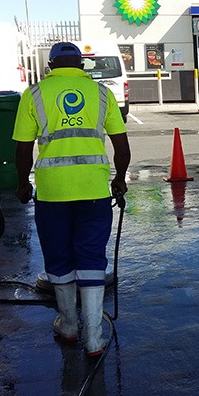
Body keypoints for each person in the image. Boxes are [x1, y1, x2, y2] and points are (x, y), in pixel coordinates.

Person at [13, 42, 131, 358]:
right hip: (94, 191)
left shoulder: (34, 94)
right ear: (81, 65)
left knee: (59, 256)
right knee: (92, 257)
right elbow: (122, 146)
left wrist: (22, 184)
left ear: (51, 66)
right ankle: (93, 338)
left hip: (52, 193)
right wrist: (119, 179)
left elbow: (22, 149)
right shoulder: (102, 94)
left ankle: (68, 326)